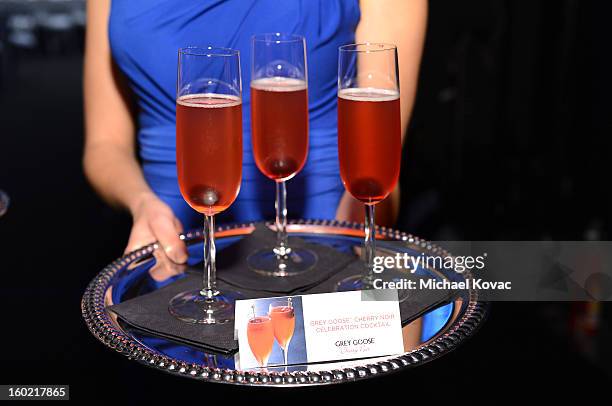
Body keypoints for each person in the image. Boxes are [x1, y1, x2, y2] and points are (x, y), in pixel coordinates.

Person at [83, 0, 427, 263]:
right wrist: (141, 204)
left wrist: (345, 243)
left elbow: (380, 151)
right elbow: (104, 145)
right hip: (172, 244)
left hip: (325, 238)